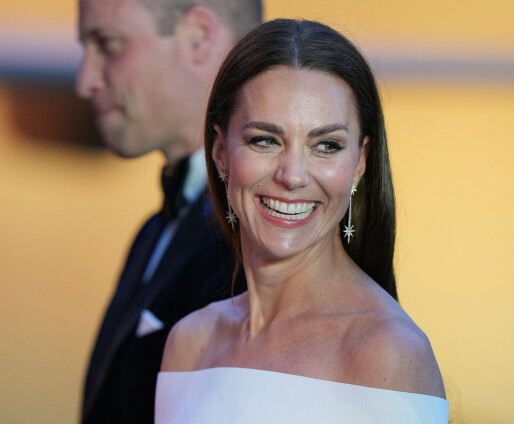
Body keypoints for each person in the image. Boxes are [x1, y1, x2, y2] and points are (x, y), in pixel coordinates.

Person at [157, 18, 448, 423]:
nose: (293, 176)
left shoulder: (386, 353)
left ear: (361, 161)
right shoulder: (189, 343)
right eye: (265, 140)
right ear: (221, 152)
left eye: (326, 145)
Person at [75, 0, 262, 422]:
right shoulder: (153, 233)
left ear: (198, 37)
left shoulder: (264, 241)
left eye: (107, 43)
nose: (84, 81)